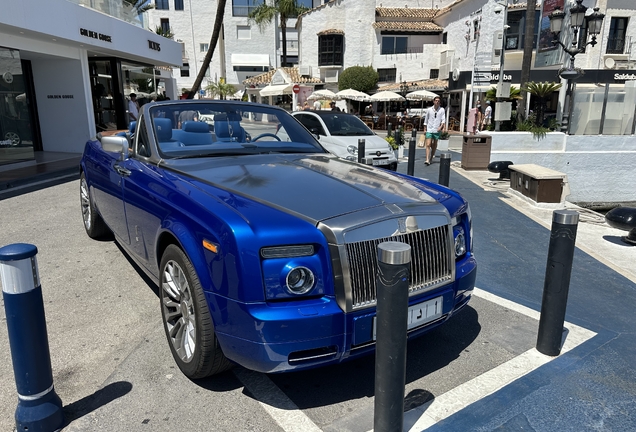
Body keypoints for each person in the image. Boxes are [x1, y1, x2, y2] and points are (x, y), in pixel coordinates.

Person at [422, 96, 446, 166]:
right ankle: (427, 159)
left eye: (438, 101)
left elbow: (443, 120)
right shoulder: (429, 110)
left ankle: (431, 157)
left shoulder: (442, 110)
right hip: (429, 129)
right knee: (428, 144)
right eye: (436, 100)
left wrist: (441, 127)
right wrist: (425, 129)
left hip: (436, 129)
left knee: (434, 145)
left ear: (440, 102)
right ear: (433, 101)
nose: (437, 102)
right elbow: (426, 120)